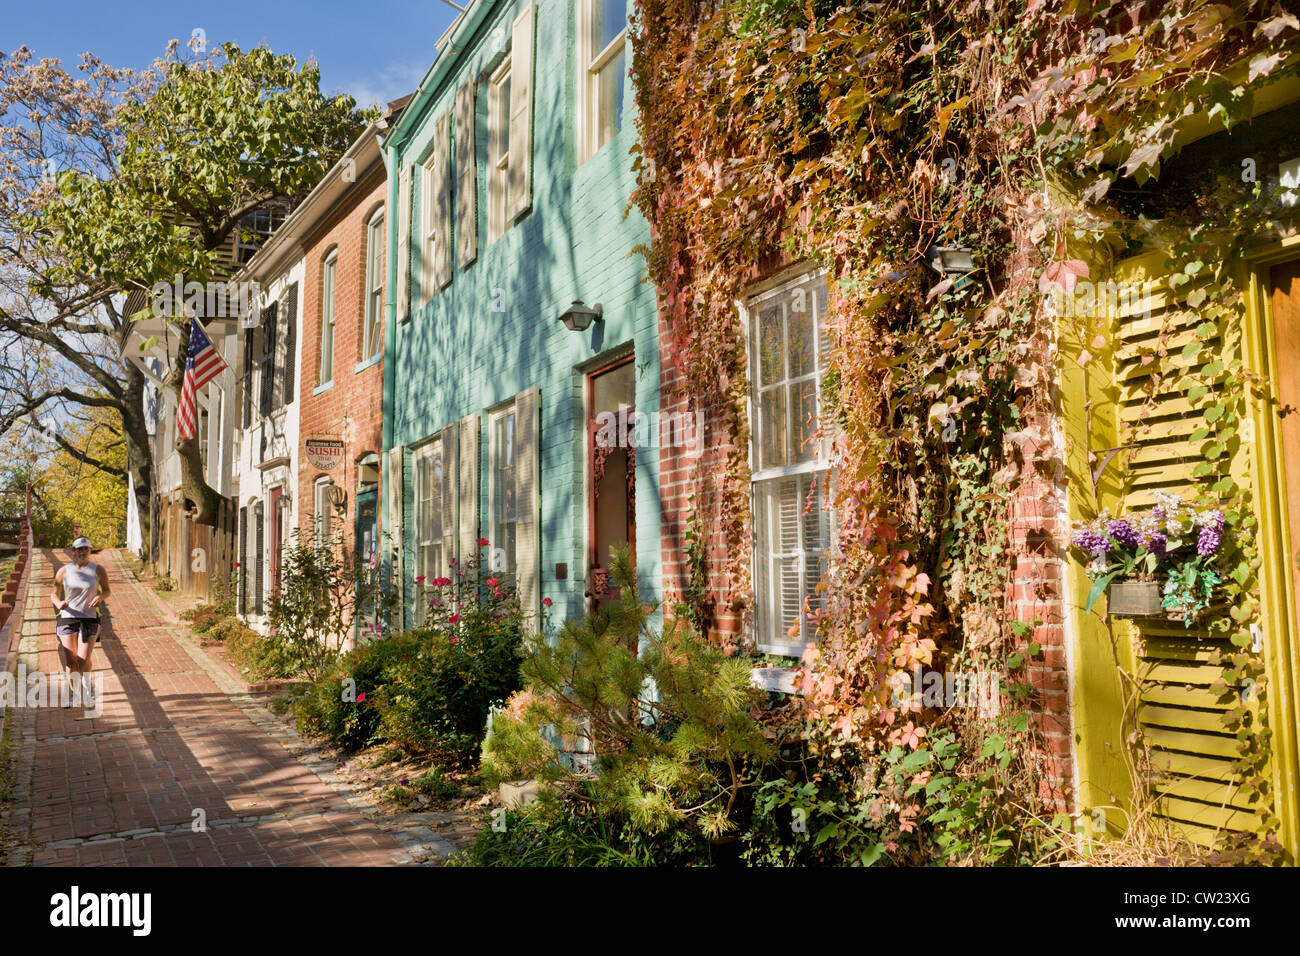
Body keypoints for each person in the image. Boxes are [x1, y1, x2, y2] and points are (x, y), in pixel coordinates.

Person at [49, 536, 110, 709]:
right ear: (73, 551)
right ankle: (72, 694)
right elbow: (53, 593)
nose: (82, 552)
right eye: (79, 549)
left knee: (83, 660)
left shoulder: (98, 570)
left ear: (90, 550)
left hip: (90, 618)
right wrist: (59, 603)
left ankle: (88, 682)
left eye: (86, 549)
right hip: (68, 617)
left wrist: (100, 597)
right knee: (71, 660)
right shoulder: (64, 571)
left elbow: (107, 591)